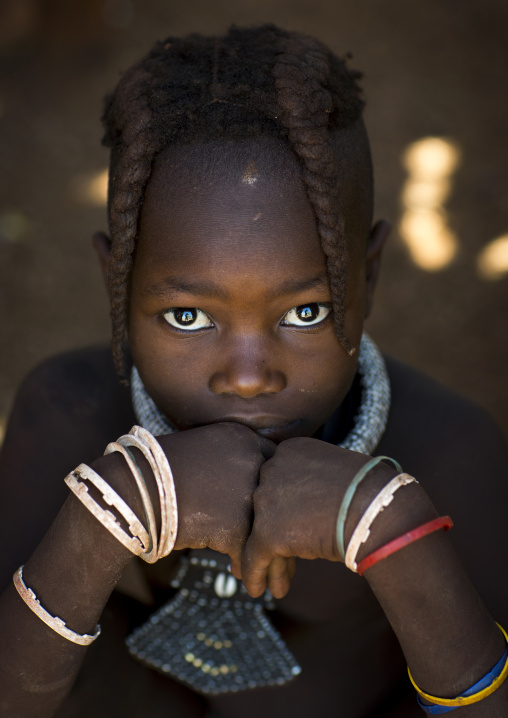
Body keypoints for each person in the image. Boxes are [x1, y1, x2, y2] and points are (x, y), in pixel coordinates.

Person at [0, 24, 507, 718]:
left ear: (370, 275)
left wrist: (394, 534)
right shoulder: (65, 414)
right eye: (188, 317)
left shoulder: (451, 452)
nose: (247, 377)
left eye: (304, 313)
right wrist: (107, 515)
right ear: (115, 284)